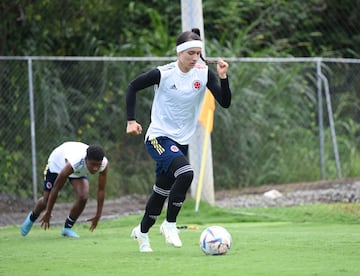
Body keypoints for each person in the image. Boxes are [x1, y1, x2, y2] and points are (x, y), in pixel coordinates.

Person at [126, 28, 231, 252]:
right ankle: (170, 224)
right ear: (179, 53)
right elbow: (132, 86)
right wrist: (131, 120)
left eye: (197, 53)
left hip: (180, 142)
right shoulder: (163, 73)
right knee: (186, 173)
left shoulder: (203, 74)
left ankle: (142, 233)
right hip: (158, 137)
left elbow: (225, 102)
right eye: (190, 53)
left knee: (161, 191)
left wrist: (223, 77)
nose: (194, 58)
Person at [20, 141, 109, 238]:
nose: (95, 168)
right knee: (46, 200)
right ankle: (32, 218)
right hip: (57, 164)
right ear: (86, 160)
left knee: (83, 196)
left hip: (77, 168)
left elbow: (101, 190)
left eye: (98, 165)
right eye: (93, 164)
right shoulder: (74, 162)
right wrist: (48, 212)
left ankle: (67, 228)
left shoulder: (104, 164)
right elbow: (56, 188)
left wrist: (98, 214)